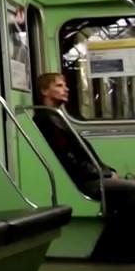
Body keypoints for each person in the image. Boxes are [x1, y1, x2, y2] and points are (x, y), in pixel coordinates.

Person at [34, 72, 133, 216]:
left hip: (92, 176)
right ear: (44, 91)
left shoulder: (58, 119)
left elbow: (85, 155)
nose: (66, 89)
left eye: (65, 85)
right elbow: (70, 160)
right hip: (84, 182)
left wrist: (108, 170)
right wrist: (104, 174)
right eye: (59, 85)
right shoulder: (46, 121)